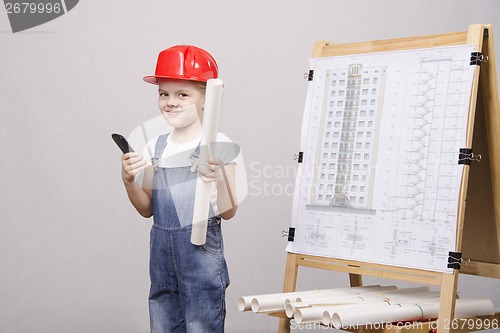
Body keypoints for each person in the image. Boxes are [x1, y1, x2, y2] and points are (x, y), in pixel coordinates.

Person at [120, 45, 237, 333]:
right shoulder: (155, 148)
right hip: (162, 259)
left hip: (200, 256)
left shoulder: (219, 145)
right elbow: (147, 208)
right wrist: (129, 182)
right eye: (164, 93)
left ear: (207, 98)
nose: (171, 102)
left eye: (182, 94)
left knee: (201, 323)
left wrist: (220, 176)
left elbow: (230, 211)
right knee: (163, 322)